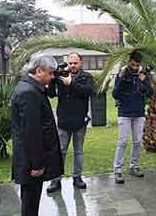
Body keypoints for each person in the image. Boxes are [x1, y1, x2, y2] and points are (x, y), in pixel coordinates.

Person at [11, 55, 64, 216]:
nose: (52, 76)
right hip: (31, 161)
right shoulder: (29, 93)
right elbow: (31, 131)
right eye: (50, 73)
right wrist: (37, 164)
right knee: (30, 204)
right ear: (39, 70)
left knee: (31, 202)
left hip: (30, 158)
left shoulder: (31, 87)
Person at [46, 53, 94, 193]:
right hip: (63, 120)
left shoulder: (86, 77)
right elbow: (51, 94)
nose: (72, 65)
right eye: (70, 63)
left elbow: (88, 91)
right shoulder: (61, 75)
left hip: (80, 120)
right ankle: (56, 179)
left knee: (78, 151)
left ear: (81, 63)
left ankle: (77, 177)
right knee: (60, 151)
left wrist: (71, 83)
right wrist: (54, 79)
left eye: (75, 63)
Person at [112, 50, 153, 184]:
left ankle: (134, 167)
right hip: (125, 112)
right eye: (133, 65)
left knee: (137, 142)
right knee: (122, 142)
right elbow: (115, 94)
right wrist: (124, 79)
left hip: (139, 113)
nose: (135, 68)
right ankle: (118, 170)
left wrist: (145, 81)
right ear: (129, 62)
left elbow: (151, 93)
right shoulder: (122, 73)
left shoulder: (143, 74)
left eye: (137, 65)